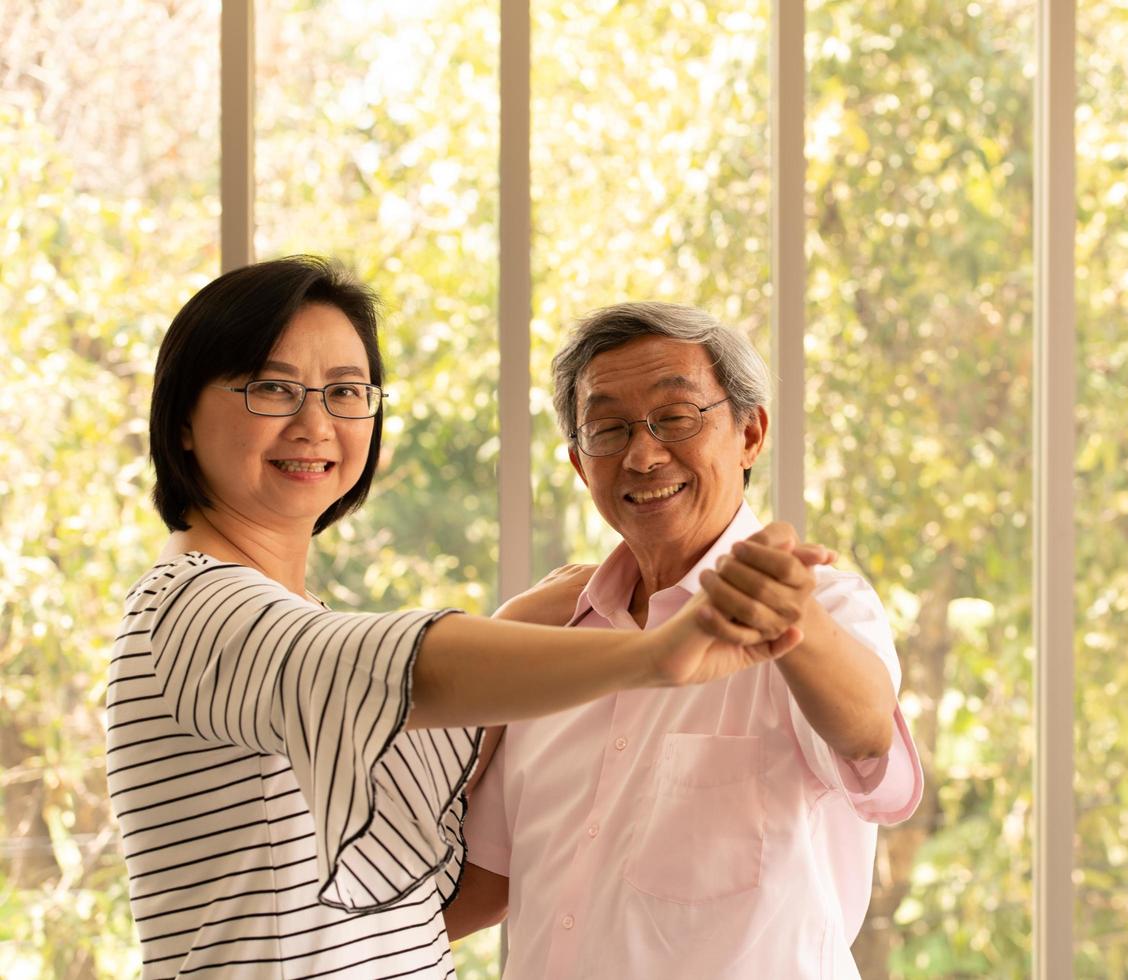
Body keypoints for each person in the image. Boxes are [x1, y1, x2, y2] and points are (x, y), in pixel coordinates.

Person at [105, 259, 819, 979]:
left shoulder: (283, 629)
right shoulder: (191, 614)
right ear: (183, 420)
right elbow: (397, 667)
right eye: (273, 388)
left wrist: (517, 627)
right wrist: (658, 656)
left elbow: (408, 896)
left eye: (346, 392)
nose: (315, 423)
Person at [455, 302, 924, 978]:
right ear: (580, 465)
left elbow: (873, 750)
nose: (643, 455)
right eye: (608, 430)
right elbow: (485, 884)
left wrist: (794, 620)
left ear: (750, 434)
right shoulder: (550, 637)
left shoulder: (823, 609)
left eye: (676, 418)